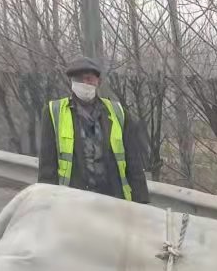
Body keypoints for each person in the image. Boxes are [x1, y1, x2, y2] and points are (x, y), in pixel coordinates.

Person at [35, 57, 151, 204]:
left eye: (89, 79)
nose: (85, 83)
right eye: (79, 79)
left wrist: (140, 203)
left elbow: (134, 163)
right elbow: (47, 166)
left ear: (98, 81)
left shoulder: (119, 113)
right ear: (72, 83)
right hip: (73, 201)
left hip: (113, 199)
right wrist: (46, 204)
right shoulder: (54, 112)